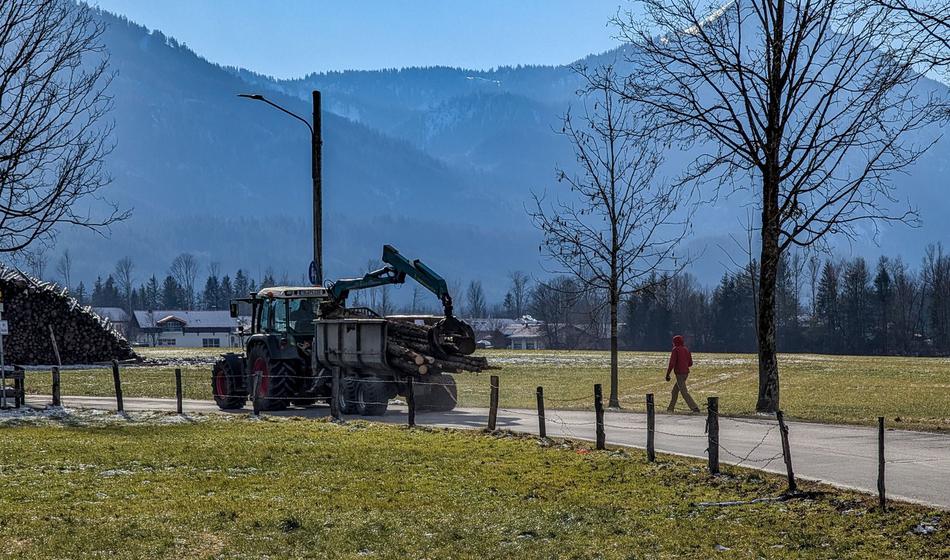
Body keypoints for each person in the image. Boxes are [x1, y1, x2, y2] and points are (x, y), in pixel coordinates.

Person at [666, 334, 700, 413]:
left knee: (684, 392)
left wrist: (667, 374)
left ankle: (694, 408)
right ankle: (670, 409)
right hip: (685, 373)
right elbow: (690, 363)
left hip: (679, 374)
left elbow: (672, 363)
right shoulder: (686, 349)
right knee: (674, 391)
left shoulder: (675, 350)